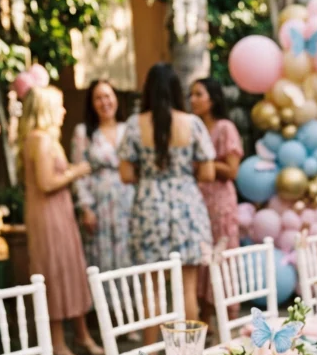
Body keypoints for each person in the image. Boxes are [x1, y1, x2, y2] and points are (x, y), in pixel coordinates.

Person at [119, 63, 215, 322]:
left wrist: (150, 175)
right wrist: (183, 174)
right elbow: (208, 174)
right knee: (187, 289)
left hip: (149, 206)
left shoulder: (133, 125)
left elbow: (126, 175)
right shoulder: (192, 124)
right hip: (186, 204)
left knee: (152, 290)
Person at [19, 85, 103, 355]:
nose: (64, 111)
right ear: (45, 109)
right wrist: (75, 171)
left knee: (71, 270)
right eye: (59, 105)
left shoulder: (45, 138)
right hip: (48, 216)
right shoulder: (39, 139)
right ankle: (58, 345)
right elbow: (46, 183)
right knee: (54, 274)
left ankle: (81, 336)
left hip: (59, 213)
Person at [189, 77, 244, 320]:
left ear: (212, 98)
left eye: (199, 94)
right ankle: (206, 319)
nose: (193, 99)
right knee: (202, 257)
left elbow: (232, 170)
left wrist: (205, 160)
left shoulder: (224, 128)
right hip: (199, 202)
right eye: (191, 94)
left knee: (222, 256)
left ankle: (229, 318)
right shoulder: (193, 128)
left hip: (220, 202)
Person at [71, 79, 134, 272]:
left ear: (115, 98)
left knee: (130, 254)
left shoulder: (129, 129)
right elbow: (79, 173)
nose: (104, 102)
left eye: (107, 96)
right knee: (102, 259)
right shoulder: (84, 133)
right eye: (98, 98)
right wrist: (86, 208)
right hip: (99, 205)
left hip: (128, 201)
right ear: (91, 103)